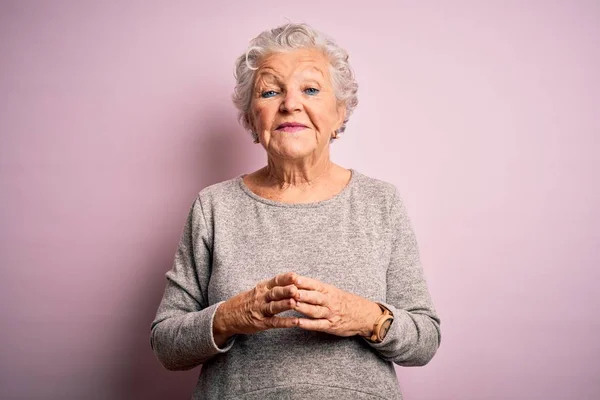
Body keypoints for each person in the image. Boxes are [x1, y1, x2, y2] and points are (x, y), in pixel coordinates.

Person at [150, 22, 441, 400]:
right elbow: (166, 344)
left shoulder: (380, 202)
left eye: (310, 89)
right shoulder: (214, 206)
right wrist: (234, 315)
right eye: (270, 92)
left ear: (340, 113)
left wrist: (365, 316)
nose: (290, 104)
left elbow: (425, 340)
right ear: (252, 120)